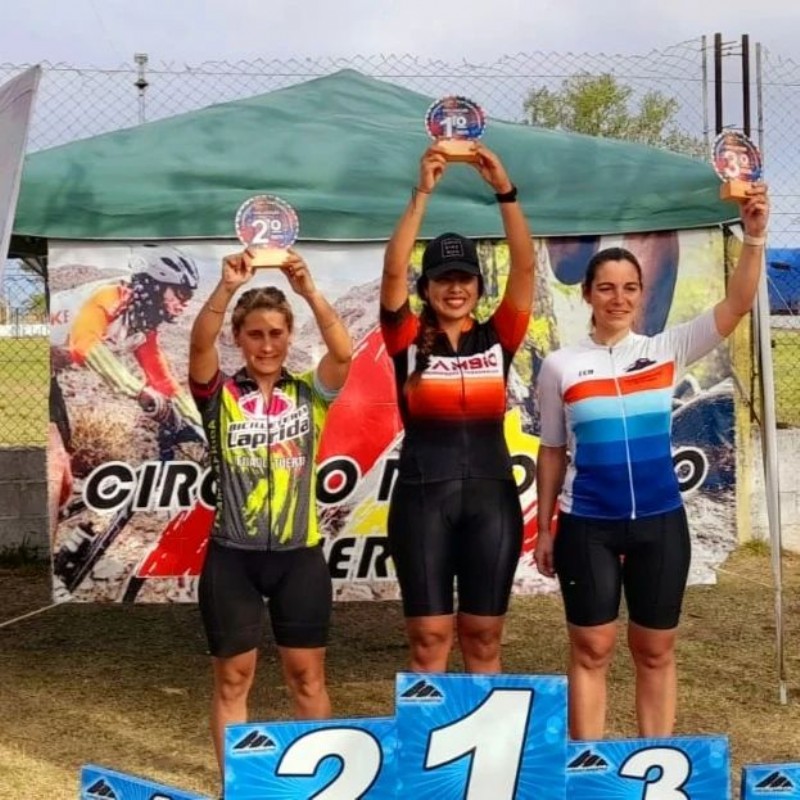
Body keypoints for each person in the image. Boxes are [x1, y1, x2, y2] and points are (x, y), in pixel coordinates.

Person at [534, 184, 770, 739]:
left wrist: (755, 236)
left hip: (660, 522)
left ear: (641, 295)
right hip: (587, 524)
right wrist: (544, 527)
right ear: (587, 294)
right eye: (606, 288)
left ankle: (654, 762)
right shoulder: (561, 366)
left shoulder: (666, 350)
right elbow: (552, 449)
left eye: (629, 288)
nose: (618, 298)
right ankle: (589, 764)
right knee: (591, 648)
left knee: (655, 648)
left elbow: (737, 305)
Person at [188, 247, 352, 780]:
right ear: (238, 338)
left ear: (289, 336)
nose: (266, 344)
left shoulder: (310, 395)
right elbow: (199, 345)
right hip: (232, 557)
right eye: (255, 334)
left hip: (298, 557)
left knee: (307, 678)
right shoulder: (219, 396)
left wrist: (309, 291)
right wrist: (227, 287)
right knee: (233, 680)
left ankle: (319, 786)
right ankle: (235, 787)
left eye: (276, 334)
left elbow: (343, 353)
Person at [380, 143, 535, 673]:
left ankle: (484, 730)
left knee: (485, 639)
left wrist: (504, 191)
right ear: (426, 288)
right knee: (428, 640)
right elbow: (392, 271)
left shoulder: (498, 336)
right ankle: (429, 729)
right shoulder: (405, 338)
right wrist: (422, 194)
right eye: (443, 278)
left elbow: (526, 266)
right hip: (423, 499)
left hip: (492, 500)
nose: (455, 288)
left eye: (465, 278)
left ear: (478, 287)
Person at [67, 244, 201, 429]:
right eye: (182, 293)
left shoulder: (141, 324)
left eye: (189, 296)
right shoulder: (111, 295)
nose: (185, 303)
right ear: (157, 287)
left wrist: (201, 422)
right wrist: (138, 391)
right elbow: (84, 344)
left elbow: (161, 379)